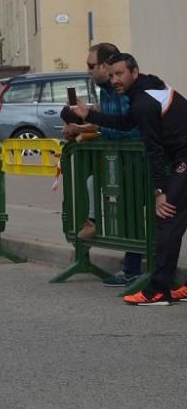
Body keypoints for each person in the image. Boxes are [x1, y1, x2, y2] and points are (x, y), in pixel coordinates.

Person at [69, 53, 187, 305]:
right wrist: (87, 114)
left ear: (134, 72)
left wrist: (160, 190)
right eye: (111, 75)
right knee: (173, 221)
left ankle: (157, 291)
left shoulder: (144, 101)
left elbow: (153, 148)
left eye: (120, 74)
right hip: (180, 156)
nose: (114, 80)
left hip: (183, 158)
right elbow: (124, 122)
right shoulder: (145, 89)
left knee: (166, 218)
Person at [61, 43, 143, 287]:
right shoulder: (104, 90)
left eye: (90, 66)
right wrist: (82, 128)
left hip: (139, 158)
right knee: (96, 186)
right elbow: (110, 123)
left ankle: (136, 268)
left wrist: (92, 127)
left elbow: (128, 126)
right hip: (119, 158)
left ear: (105, 66)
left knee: (134, 215)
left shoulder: (124, 89)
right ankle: (97, 228)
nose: (88, 71)